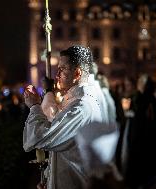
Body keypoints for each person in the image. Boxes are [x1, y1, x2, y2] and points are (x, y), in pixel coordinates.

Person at [23, 45, 105, 189]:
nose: (57, 74)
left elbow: (41, 138)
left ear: (77, 73)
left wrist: (35, 106)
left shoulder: (82, 107)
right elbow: (65, 151)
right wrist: (49, 179)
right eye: (58, 68)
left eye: (63, 69)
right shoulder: (74, 101)